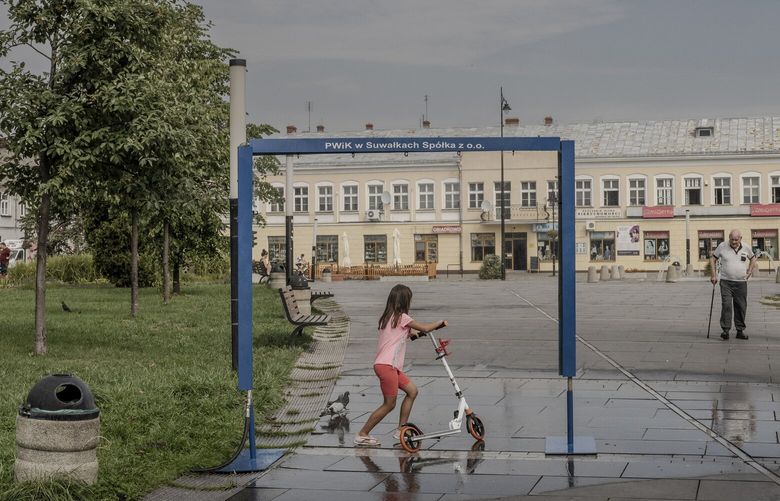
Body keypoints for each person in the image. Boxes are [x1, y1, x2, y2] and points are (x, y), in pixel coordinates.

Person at [354, 284, 447, 447]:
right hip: (387, 366)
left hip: (390, 366)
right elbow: (424, 327)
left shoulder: (388, 318)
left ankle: (400, 429)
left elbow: (409, 335)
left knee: (412, 391)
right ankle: (362, 434)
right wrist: (440, 322)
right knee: (389, 404)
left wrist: (418, 334)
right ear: (405, 301)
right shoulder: (402, 317)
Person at [710, 229, 757, 340]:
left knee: (741, 306)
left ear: (740, 238)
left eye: (736, 239)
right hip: (726, 281)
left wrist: (750, 271)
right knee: (726, 305)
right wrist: (713, 275)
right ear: (729, 238)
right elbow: (712, 259)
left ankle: (740, 331)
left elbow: (753, 258)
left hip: (741, 282)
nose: (734, 242)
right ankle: (725, 331)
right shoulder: (722, 246)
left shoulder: (746, 247)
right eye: (732, 239)